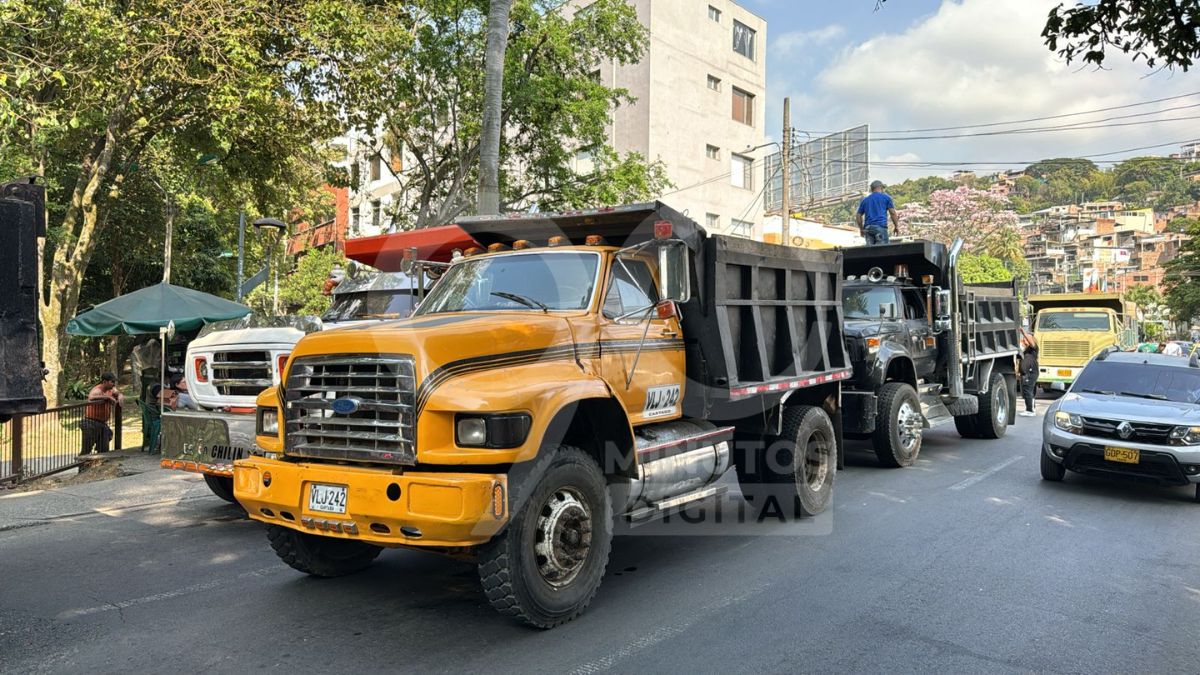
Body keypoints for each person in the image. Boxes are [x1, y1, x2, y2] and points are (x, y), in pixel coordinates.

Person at [81, 373, 124, 455]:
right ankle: (82, 466)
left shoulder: (111, 389)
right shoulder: (97, 389)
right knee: (86, 450)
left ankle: (101, 465)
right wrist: (107, 397)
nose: (114, 384)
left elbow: (117, 392)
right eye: (112, 382)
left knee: (104, 448)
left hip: (102, 423)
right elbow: (91, 397)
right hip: (90, 423)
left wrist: (120, 395)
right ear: (105, 382)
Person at [856, 180, 900, 246]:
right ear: (881, 188)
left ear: (872, 189)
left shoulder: (865, 200)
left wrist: (861, 229)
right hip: (880, 228)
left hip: (868, 229)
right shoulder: (886, 198)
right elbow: (892, 213)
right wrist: (896, 226)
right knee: (883, 251)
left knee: (871, 253)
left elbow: (858, 215)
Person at [1018, 332, 1039, 417]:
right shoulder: (1026, 350)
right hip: (1027, 373)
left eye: (1027, 338)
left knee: (1027, 391)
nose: (1025, 340)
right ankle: (1031, 408)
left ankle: (1030, 410)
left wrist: (1023, 332)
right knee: (1029, 391)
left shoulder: (1033, 348)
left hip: (1031, 373)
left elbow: (1030, 341)